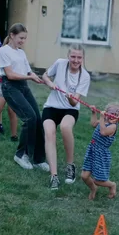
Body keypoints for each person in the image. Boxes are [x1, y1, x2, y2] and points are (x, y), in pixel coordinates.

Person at [0, 23, 49, 172]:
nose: (22, 41)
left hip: (22, 86)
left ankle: (39, 159)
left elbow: (28, 71)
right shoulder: (4, 51)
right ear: (12, 35)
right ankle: (21, 155)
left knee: (38, 119)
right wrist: (29, 78)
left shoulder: (21, 53)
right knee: (29, 118)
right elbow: (10, 74)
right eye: (21, 38)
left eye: (25, 38)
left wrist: (37, 77)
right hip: (10, 86)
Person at [41, 45, 91, 190]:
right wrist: (50, 83)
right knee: (49, 133)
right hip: (51, 107)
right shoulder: (60, 63)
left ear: (83, 58)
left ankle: (70, 165)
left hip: (70, 108)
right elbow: (45, 75)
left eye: (79, 57)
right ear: (68, 56)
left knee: (65, 127)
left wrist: (70, 98)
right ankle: (54, 176)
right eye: (73, 56)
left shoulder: (85, 76)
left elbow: (75, 102)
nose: (76, 60)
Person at [81, 102, 119, 200]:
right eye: (110, 113)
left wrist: (101, 118)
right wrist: (94, 113)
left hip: (101, 154)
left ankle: (112, 185)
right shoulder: (104, 121)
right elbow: (93, 124)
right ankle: (93, 188)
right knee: (84, 176)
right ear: (106, 112)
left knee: (98, 180)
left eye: (115, 115)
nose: (111, 116)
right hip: (92, 150)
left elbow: (103, 132)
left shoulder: (113, 127)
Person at [0, 34, 19, 142]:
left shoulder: (18, 54)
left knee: (12, 110)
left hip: (14, 85)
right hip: (2, 84)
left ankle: (14, 135)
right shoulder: (2, 53)